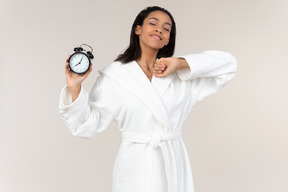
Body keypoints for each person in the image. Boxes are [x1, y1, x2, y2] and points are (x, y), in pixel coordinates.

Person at [59, 6, 237, 192]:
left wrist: (180, 63)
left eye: (166, 28)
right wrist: (75, 87)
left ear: (168, 38)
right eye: (153, 23)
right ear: (138, 29)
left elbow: (229, 64)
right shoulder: (115, 76)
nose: (159, 29)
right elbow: (86, 125)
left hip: (173, 161)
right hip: (135, 165)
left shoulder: (181, 76)